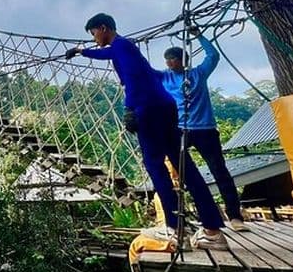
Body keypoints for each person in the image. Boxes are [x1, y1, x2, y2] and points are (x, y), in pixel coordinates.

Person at [65, 13, 227, 250]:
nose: (93, 38)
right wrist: (81, 51)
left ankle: (175, 229)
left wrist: (130, 109)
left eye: (93, 33)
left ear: (103, 28)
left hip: (147, 110)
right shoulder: (124, 47)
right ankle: (212, 230)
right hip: (165, 106)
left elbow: (131, 79)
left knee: (155, 167)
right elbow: (106, 54)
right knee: (183, 165)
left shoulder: (121, 47)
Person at [159, 29, 247, 232]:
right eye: (167, 59)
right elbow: (145, 73)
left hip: (206, 129)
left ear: (182, 59)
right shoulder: (166, 78)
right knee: (183, 173)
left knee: (220, 171)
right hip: (181, 130)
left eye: (172, 58)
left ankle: (235, 217)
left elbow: (213, 56)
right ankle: (195, 214)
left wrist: (199, 35)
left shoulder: (198, 73)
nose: (169, 63)